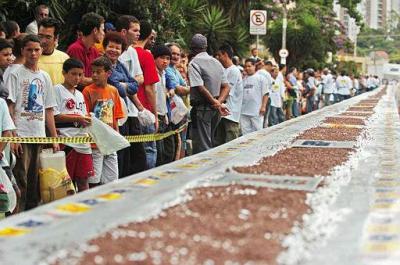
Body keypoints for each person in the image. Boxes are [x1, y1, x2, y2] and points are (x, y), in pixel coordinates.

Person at [6, 34, 59, 211]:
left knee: (37, 181)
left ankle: (33, 215)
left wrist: (54, 137)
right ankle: (16, 218)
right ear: (23, 51)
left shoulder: (44, 77)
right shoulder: (15, 73)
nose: (33, 53)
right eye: (29, 50)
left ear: (41, 51)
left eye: (37, 50)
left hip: (39, 135)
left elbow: (49, 109)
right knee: (21, 179)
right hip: (21, 134)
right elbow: (10, 107)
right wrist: (13, 136)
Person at [103, 32, 140, 178]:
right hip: (106, 113)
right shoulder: (102, 63)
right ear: (105, 47)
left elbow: (135, 86)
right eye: (110, 46)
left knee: (122, 149)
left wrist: (122, 85)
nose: (114, 50)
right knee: (111, 152)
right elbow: (115, 86)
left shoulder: (120, 65)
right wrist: (124, 85)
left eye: (118, 48)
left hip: (121, 113)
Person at [82, 56, 124, 186]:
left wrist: (116, 135)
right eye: (92, 71)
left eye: (98, 72)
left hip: (110, 141)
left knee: (112, 179)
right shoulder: (87, 91)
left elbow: (115, 117)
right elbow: (85, 118)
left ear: (108, 73)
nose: (94, 75)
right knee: (94, 179)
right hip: (95, 142)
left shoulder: (113, 91)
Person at [54, 58, 93, 192]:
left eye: (80, 75)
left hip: (82, 140)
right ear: (64, 73)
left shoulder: (80, 94)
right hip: (66, 140)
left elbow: (84, 116)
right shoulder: (57, 90)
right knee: (65, 182)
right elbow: (54, 116)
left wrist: (89, 119)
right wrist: (77, 118)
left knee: (83, 179)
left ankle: (86, 208)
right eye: (73, 74)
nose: (77, 78)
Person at [115, 15, 147, 174]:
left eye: (139, 31)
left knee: (139, 157)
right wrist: (130, 83)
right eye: (135, 30)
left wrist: (127, 84)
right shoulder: (114, 52)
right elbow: (117, 84)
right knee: (123, 156)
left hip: (133, 110)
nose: (138, 34)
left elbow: (140, 79)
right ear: (123, 31)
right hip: (119, 110)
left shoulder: (133, 52)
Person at [188, 33, 230, 153]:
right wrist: (219, 102)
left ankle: (205, 171)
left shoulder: (193, 63)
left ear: (192, 48)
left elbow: (200, 87)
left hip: (203, 109)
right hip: (215, 110)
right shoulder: (216, 62)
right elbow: (226, 86)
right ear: (206, 47)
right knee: (211, 141)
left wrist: (214, 102)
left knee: (203, 146)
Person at [134, 21, 159, 168]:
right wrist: (155, 114)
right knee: (149, 150)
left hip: (129, 112)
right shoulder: (146, 56)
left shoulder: (125, 52)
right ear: (149, 36)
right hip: (145, 111)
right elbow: (149, 88)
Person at [214, 44, 243, 145]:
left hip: (231, 114)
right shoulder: (223, 70)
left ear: (225, 55)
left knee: (230, 145)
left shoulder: (234, 71)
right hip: (222, 113)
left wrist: (217, 103)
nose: (218, 58)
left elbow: (226, 91)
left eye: (219, 55)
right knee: (219, 144)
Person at [165, 43, 190, 158]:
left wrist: (186, 89)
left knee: (181, 141)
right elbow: (179, 89)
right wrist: (189, 89)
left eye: (178, 54)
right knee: (175, 143)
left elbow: (184, 86)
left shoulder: (175, 70)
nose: (175, 57)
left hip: (180, 112)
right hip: (171, 112)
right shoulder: (168, 70)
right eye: (173, 54)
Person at [67, 12, 104, 88]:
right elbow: (80, 80)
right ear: (95, 30)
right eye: (102, 30)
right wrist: (101, 78)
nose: (104, 33)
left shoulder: (94, 50)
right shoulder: (75, 49)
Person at [152, 44, 175, 166]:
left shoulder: (165, 74)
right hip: (156, 116)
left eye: (167, 58)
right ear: (154, 58)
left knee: (169, 151)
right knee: (159, 154)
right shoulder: (152, 73)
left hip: (165, 116)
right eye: (162, 58)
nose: (165, 61)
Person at [38, 18, 69, 85]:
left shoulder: (64, 58)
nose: (43, 41)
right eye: (40, 36)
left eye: (48, 37)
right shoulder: (29, 58)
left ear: (56, 38)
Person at [240, 58, 268, 134]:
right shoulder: (243, 79)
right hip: (244, 111)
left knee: (258, 133)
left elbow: (265, 93)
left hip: (256, 111)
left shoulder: (261, 78)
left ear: (254, 66)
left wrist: (263, 106)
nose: (247, 68)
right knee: (245, 133)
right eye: (245, 66)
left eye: (249, 66)